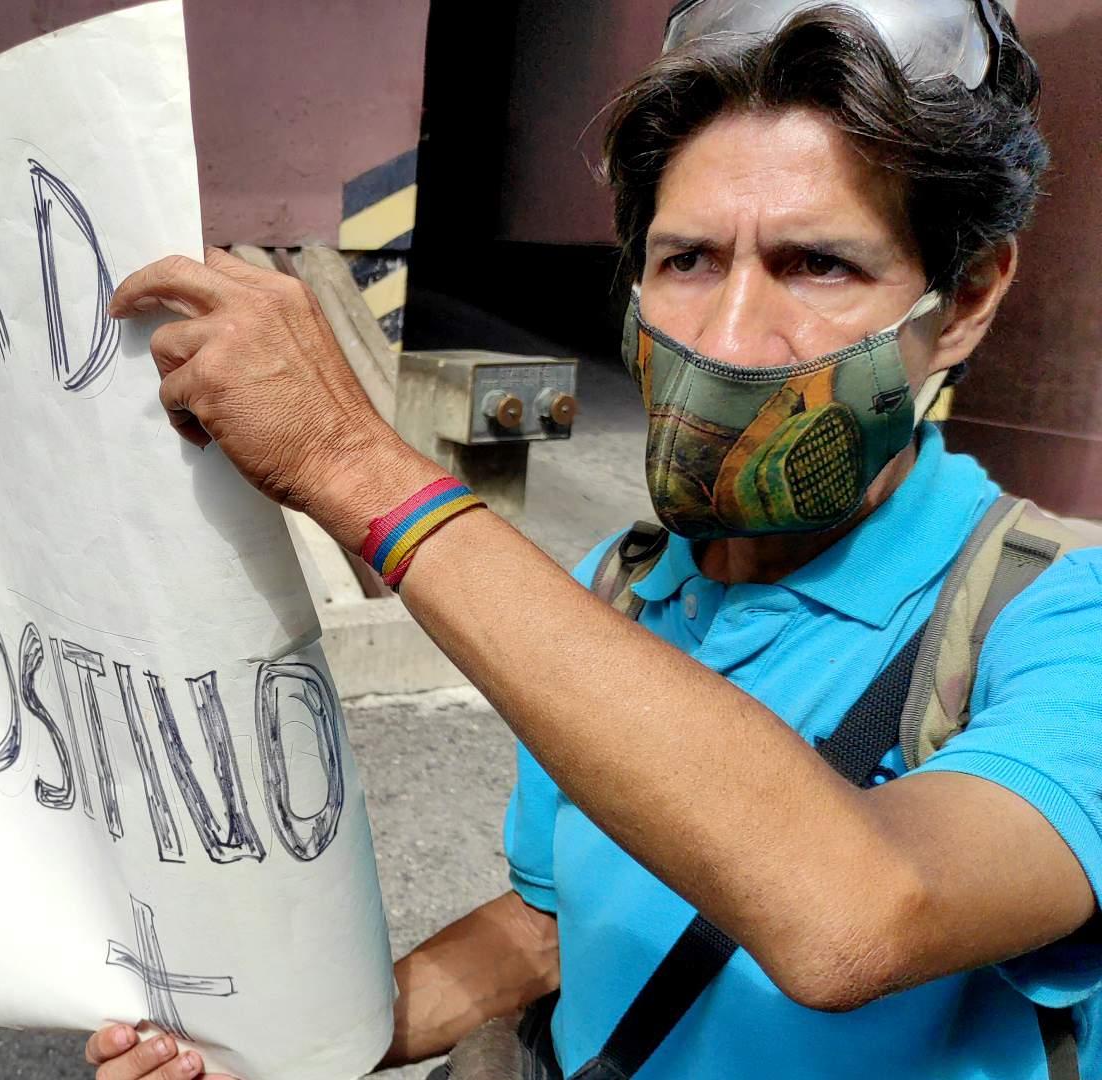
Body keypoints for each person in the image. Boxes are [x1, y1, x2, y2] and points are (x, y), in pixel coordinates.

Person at [85, 1, 1102, 1077]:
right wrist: (290, 1045)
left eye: (818, 265)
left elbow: (863, 912)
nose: (728, 336)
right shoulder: (615, 596)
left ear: (970, 299)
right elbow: (550, 927)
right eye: (689, 260)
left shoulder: (1054, 622)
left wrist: (354, 466)